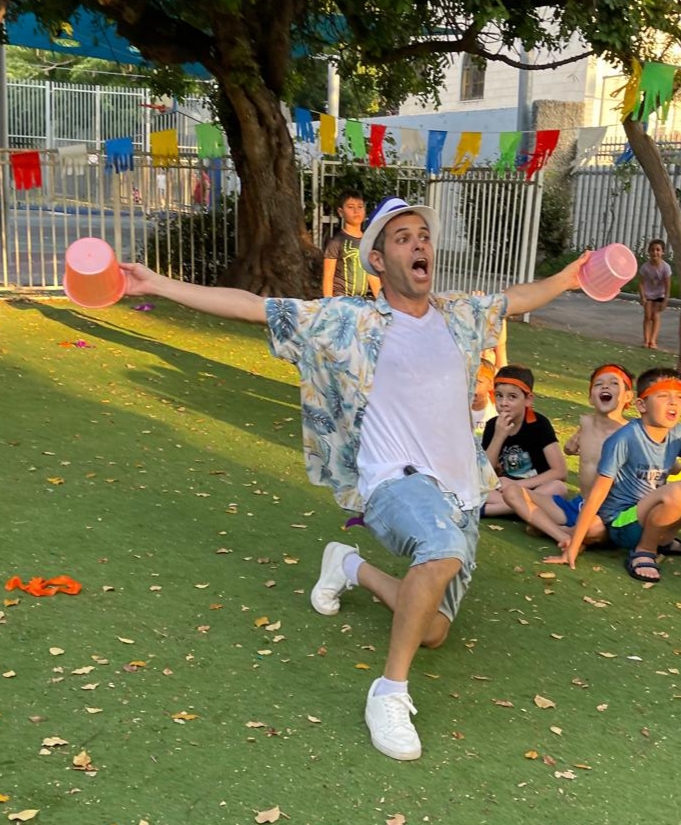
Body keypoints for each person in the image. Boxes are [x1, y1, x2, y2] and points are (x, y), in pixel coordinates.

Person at [120, 195, 588, 762]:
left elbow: (518, 297)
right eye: (403, 238)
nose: (419, 244)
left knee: (433, 629)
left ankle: (349, 566)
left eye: (423, 236)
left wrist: (569, 277)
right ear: (378, 262)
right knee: (440, 552)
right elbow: (253, 306)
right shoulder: (349, 321)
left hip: (462, 490)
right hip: (393, 480)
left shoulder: (459, 315)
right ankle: (388, 693)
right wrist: (157, 284)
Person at [544, 367, 681, 581]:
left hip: (653, 518)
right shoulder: (624, 438)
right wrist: (573, 547)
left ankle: (661, 539)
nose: (673, 402)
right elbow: (597, 495)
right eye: (663, 396)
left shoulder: (676, 433)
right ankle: (644, 551)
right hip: (621, 523)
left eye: (678, 397)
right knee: (677, 492)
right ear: (641, 405)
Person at [502, 363, 634, 544]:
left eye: (614, 383)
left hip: (608, 513)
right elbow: (572, 448)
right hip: (579, 505)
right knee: (512, 492)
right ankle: (564, 536)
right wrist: (570, 446)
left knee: (592, 528)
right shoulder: (586, 423)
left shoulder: (630, 433)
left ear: (628, 396)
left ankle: (552, 529)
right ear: (590, 398)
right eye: (598, 384)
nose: (605, 387)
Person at [481, 365, 568, 517]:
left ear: (528, 399)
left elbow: (560, 472)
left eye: (512, 397)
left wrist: (517, 485)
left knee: (559, 487)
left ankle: (491, 510)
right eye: (499, 395)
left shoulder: (539, 425)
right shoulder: (492, 425)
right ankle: (526, 509)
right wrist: (499, 436)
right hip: (502, 489)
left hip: (534, 489)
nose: (503, 403)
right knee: (473, 486)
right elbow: (485, 473)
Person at [322, 190, 381, 298]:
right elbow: (328, 276)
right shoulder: (336, 241)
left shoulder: (368, 241)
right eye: (350, 207)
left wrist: (381, 300)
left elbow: (372, 276)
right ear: (341, 212)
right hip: (340, 299)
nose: (356, 211)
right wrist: (328, 302)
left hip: (361, 301)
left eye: (360, 207)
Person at [638, 239, 671, 349]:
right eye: (652, 250)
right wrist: (642, 297)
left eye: (658, 250)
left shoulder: (665, 267)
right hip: (648, 294)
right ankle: (646, 340)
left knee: (655, 315)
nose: (655, 252)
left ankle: (653, 340)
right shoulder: (645, 267)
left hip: (660, 294)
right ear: (649, 252)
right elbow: (641, 283)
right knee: (647, 316)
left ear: (662, 252)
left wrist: (665, 300)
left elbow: (667, 285)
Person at [471, 358, 496, 439]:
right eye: (468, 381)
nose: (471, 389)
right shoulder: (455, 408)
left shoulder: (497, 411)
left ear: (491, 384)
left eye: (478, 382)